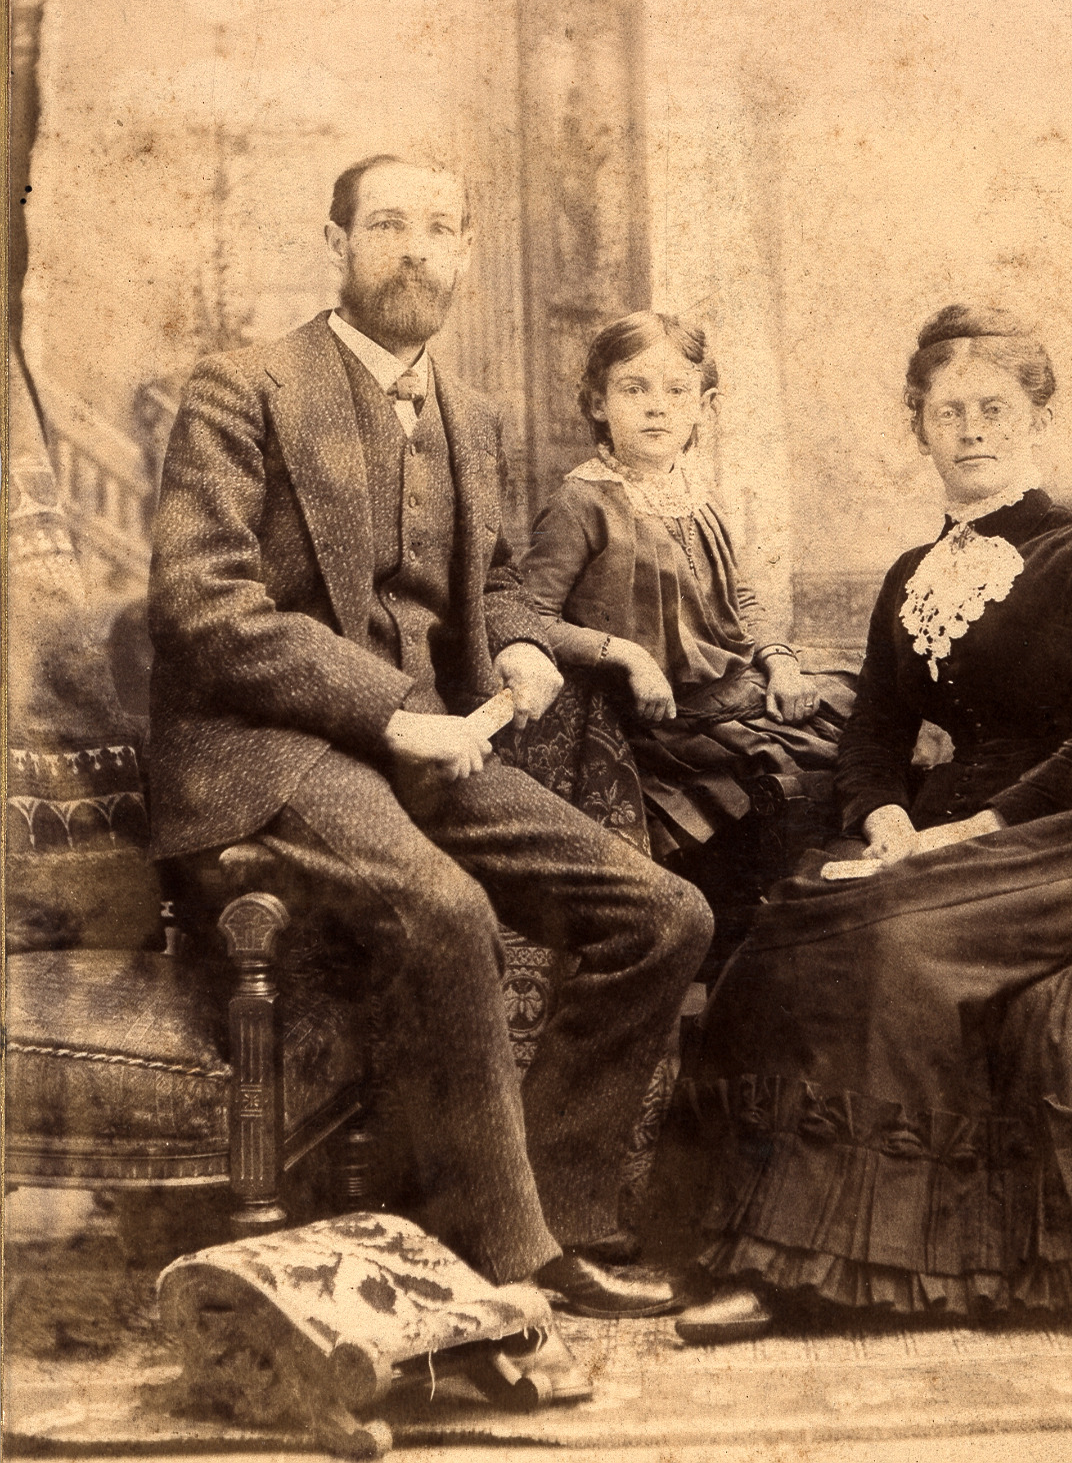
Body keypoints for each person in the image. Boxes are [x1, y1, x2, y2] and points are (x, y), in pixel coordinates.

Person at [147, 152, 714, 1401]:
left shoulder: (476, 415)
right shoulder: (244, 389)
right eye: (388, 224)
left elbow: (496, 583)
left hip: (426, 746)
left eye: (441, 228)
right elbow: (203, 609)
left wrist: (517, 643)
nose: (416, 249)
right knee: (445, 908)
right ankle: (506, 1264)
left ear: (464, 250)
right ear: (337, 243)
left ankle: (546, 1214)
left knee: (663, 914)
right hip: (267, 751)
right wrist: (394, 713)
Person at [673, 304, 1072, 1344]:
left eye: (994, 407)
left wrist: (978, 828)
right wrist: (881, 815)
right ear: (916, 425)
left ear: (1038, 416)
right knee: (784, 933)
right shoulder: (909, 576)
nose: (972, 429)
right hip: (938, 829)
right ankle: (748, 1244)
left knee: (887, 947)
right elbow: (873, 731)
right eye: (948, 411)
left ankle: (831, 1269)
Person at [515, 312, 853, 863]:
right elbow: (529, 620)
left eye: (677, 390)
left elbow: (740, 599)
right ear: (599, 403)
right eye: (634, 389)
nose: (658, 406)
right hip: (659, 718)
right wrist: (627, 655)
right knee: (788, 764)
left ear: (704, 406)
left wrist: (781, 664)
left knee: (855, 713)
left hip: (730, 689)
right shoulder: (581, 502)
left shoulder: (699, 493)